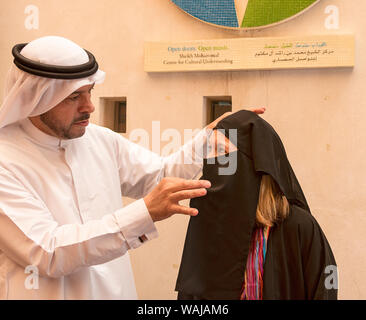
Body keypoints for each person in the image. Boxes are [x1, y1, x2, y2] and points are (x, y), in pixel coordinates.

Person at [0, 36, 265, 299]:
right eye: (73, 97)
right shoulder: (6, 161)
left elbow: (159, 178)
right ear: (37, 97)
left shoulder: (100, 140)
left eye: (90, 92)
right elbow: (47, 251)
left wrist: (205, 141)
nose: (89, 106)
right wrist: (143, 213)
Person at [176, 110, 337, 300]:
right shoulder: (209, 228)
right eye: (209, 152)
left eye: (222, 152)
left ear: (253, 163)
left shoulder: (300, 227)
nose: (211, 162)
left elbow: (325, 289)